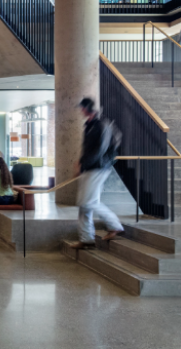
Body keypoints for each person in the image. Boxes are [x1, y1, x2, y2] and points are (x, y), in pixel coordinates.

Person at [65, 98, 124, 249]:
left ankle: (114, 224)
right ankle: (86, 239)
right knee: (84, 205)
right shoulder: (90, 125)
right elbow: (88, 148)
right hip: (89, 167)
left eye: (82, 108)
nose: (80, 111)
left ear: (87, 108)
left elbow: (99, 150)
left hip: (98, 167)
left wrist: (83, 164)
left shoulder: (101, 125)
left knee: (88, 202)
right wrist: (80, 163)